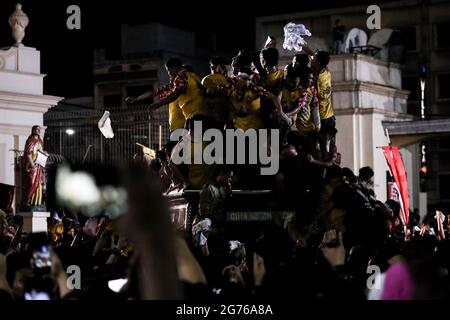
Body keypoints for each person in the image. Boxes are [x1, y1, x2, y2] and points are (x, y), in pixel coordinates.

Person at [24, 125, 46, 207]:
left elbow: (41, 152)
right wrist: (32, 164)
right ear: (33, 130)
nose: (38, 131)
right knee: (31, 182)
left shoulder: (40, 141)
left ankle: (37, 203)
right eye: (36, 129)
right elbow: (28, 153)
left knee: (39, 184)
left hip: (39, 166)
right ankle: (28, 201)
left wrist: (45, 153)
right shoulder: (30, 140)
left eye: (39, 130)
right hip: (32, 166)